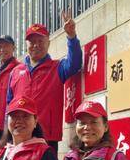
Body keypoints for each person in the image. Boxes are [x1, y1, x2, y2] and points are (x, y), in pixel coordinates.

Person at [6, 11, 82, 152]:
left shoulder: (57, 67)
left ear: (48, 42)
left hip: (47, 136)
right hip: (20, 135)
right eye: (32, 42)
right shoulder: (15, 72)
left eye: (40, 41)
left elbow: (75, 64)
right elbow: (9, 106)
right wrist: (8, 134)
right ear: (26, 44)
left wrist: (71, 36)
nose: (36, 45)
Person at [0, 35, 23, 133]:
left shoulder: (19, 69)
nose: (2, 49)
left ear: (14, 48)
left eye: (6, 46)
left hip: (8, 124)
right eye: (0, 47)